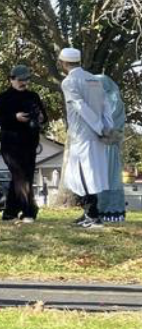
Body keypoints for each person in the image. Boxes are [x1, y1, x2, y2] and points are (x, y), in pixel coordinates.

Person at [58, 48, 110, 228]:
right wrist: (106, 127)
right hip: (98, 133)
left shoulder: (69, 82)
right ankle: (89, 213)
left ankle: (93, 216)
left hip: (83, 133)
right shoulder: (94, 79)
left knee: (83, 175)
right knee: (92, 173)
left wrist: (97, 126)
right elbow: (105, 104)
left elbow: (80, 106)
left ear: (63, 63)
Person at [0, 65, 47, 221]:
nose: (24, 83)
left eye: (26, 80)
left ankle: (10, 212)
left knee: (24, 176)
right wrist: (15, 117)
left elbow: (43, 117)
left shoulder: (33, 96)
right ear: (11, 79)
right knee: (20, 174)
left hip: (30, 141)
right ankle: (29, 211)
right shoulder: (2, 98)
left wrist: (40, 117)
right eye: (20, 80)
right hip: (10, 142)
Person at [99, 72, 127, 223]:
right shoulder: (106, 101)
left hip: (108, 146)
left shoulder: (113, 102)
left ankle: (111, 210)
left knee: (109, 178)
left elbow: (111, 125)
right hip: (102, 147)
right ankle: (100, 209)